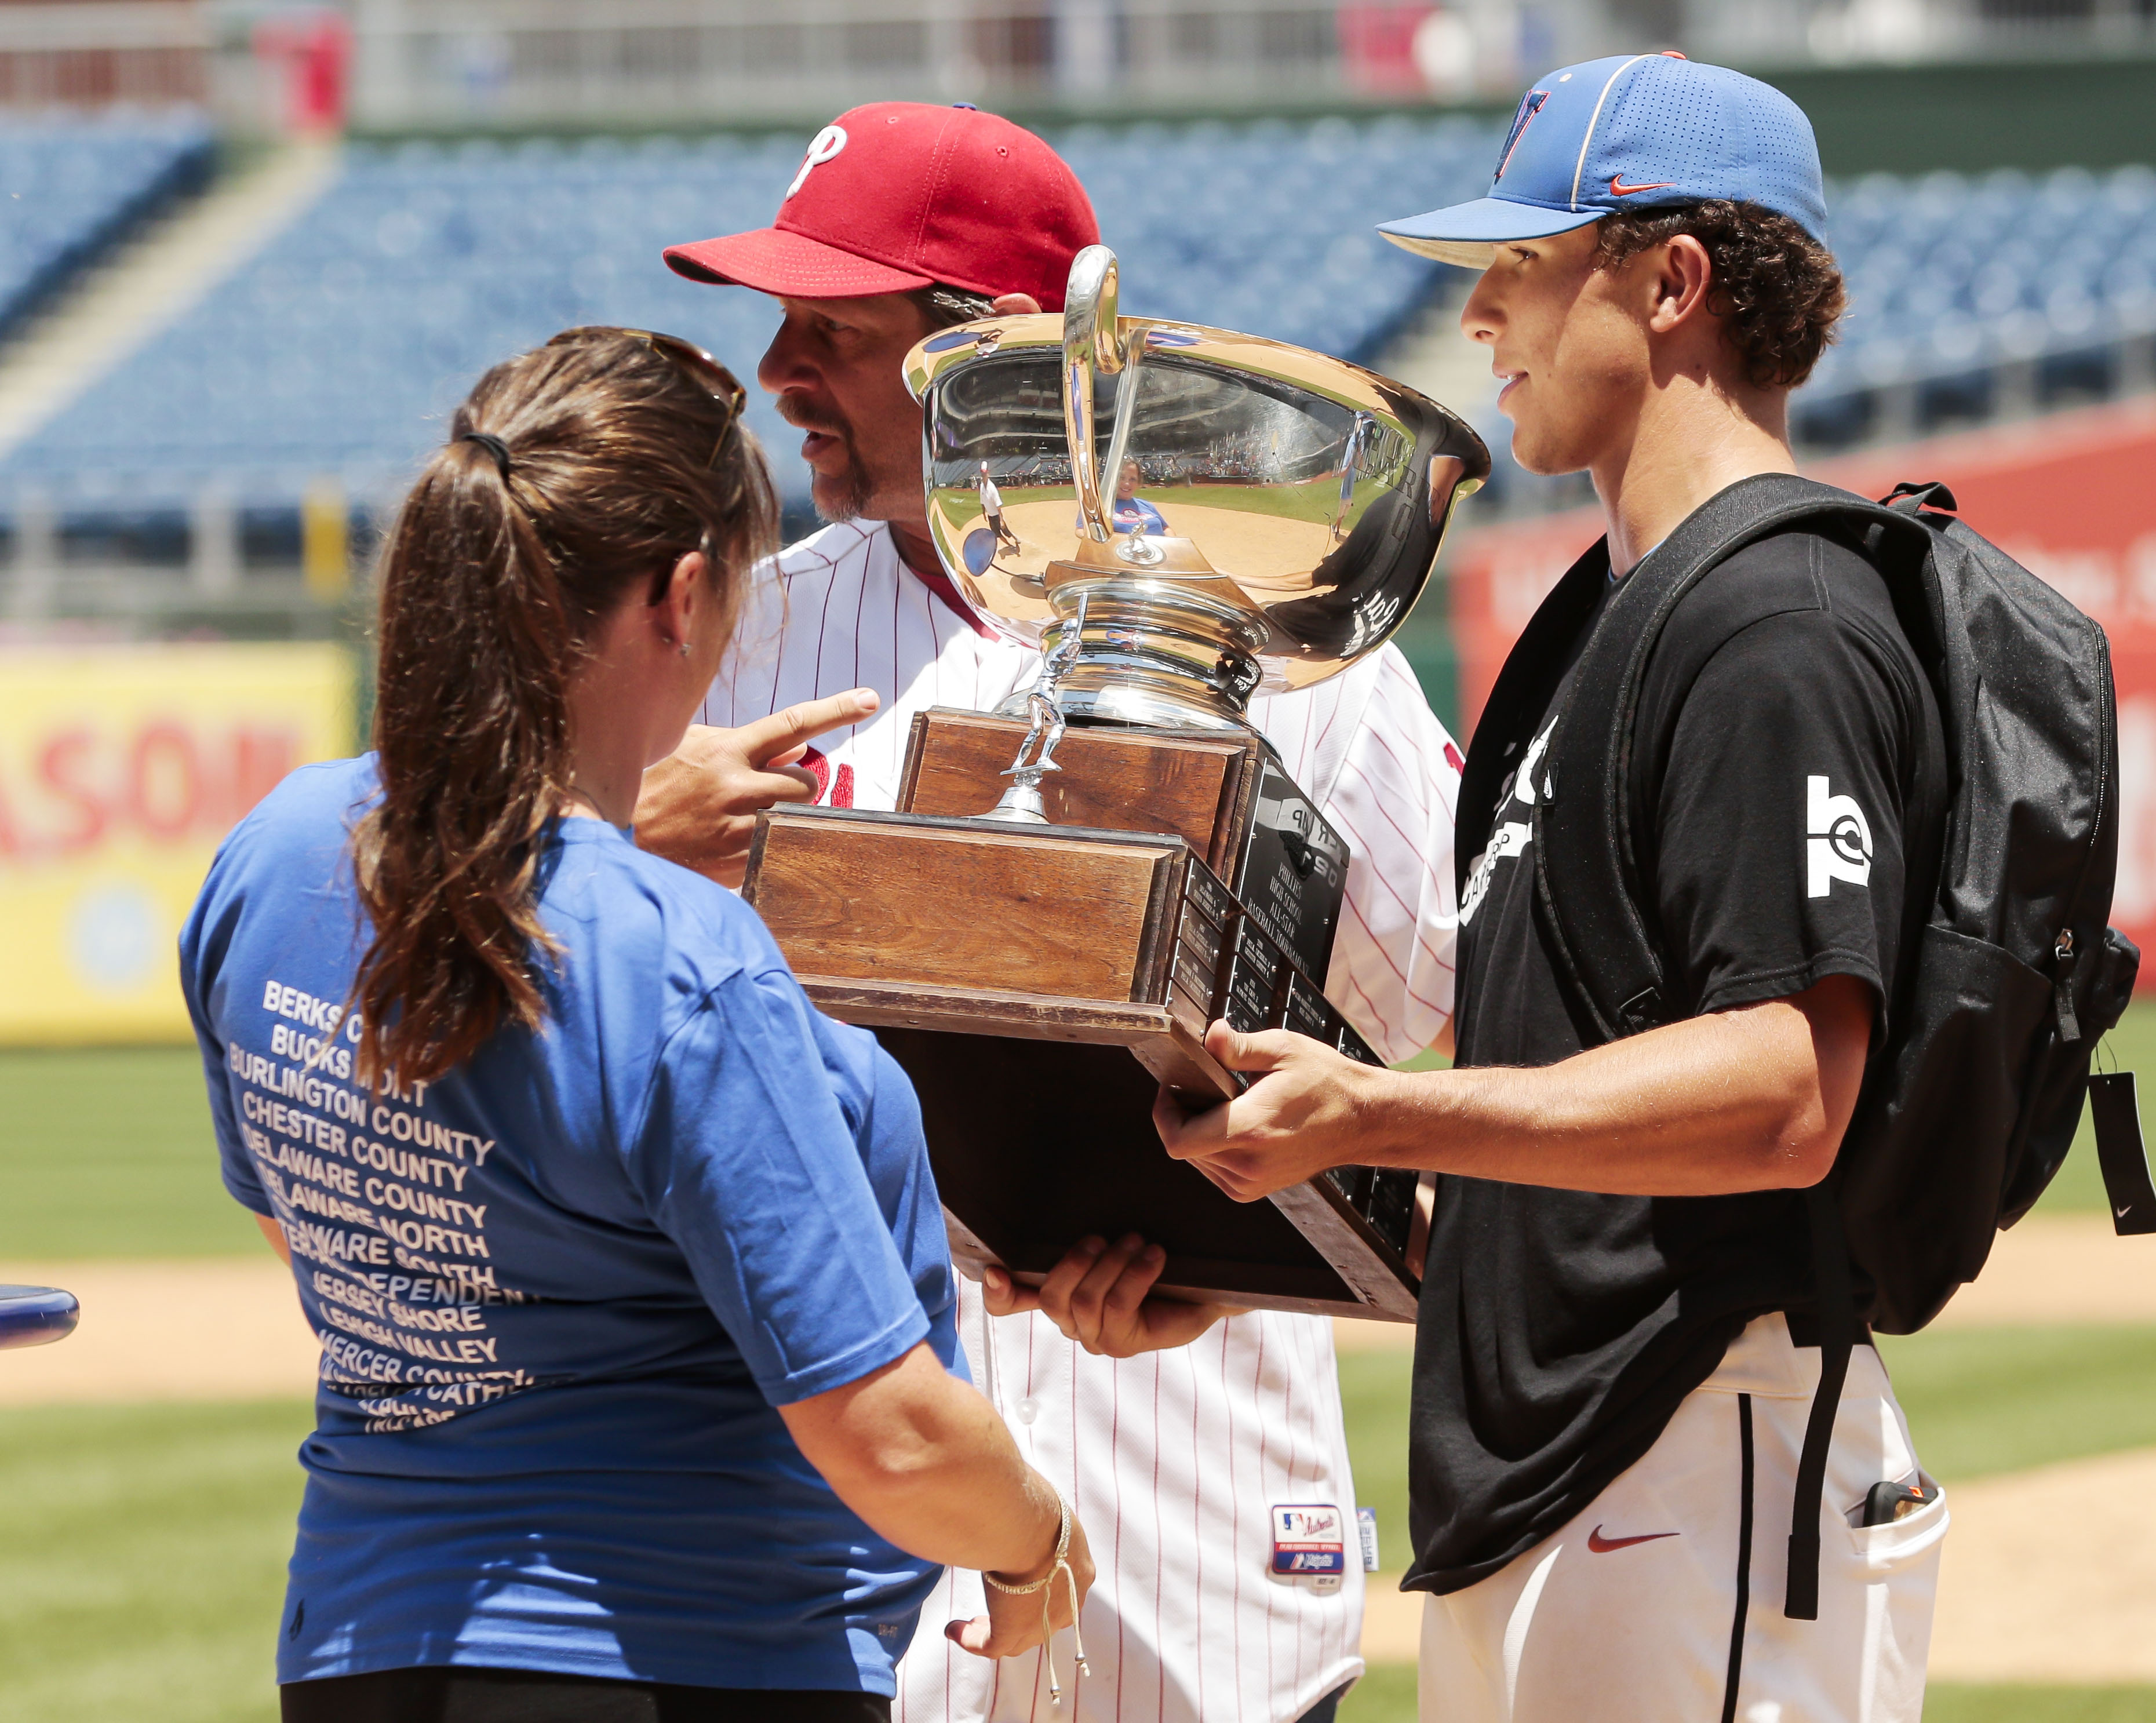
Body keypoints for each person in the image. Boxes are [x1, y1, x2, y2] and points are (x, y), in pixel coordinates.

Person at [1141, 55, 1951, 1723]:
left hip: (1702, 1460)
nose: (1482, 314)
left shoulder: (1776, 618)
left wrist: (1372, 1107)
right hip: (1557, 1485)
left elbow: (1786, 1088)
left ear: (1671, 285)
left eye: (1521, 262)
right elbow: (1558, 1187)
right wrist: (1217, 1249)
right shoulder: (1601, 624)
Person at [641, 103, 1462, 1723]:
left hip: (1197, 1538)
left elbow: (1447, 1022)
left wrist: (1237, 1251)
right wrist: (617, 839)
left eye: (831, 327)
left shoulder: (1289, 656)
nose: (778, 370)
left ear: (997, 355)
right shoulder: (733, 649)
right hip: (850, 1560)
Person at [179, 327, 1093, 1722]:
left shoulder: (279, 845)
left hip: (360, 1645)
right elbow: (890, 1435)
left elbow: (309, 1231)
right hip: (689, 1650)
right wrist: (1039, 1545)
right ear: (679, 596)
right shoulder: (680, 960)